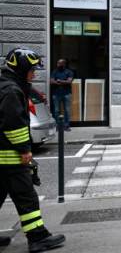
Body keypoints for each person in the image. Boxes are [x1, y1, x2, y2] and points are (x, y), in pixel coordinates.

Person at [0, 48, 66, 252]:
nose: (34, 74)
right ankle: (37, 237)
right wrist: (24, 150)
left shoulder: (7, 86)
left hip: (3, 155)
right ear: (20, 69)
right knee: (26, 197)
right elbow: (13, 123)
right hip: (10, 157)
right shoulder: (11, 91)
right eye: (31, 69)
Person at [49, 59, 73, 131]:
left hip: (67, 94)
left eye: (60, 63)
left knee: (67, 110)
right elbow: (51, 81)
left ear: (64, 64)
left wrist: (59, 81)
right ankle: (58, 126)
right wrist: (62, 82)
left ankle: (67, 126)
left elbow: (69, 81)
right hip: (56, 94)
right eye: (57, 63)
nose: (58, 65)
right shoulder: (54, 71)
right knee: (56, 110)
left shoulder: (69, 72)